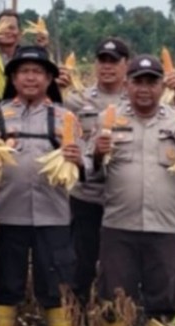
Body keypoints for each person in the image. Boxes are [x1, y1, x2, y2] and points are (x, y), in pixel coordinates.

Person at [90, 55, 175, 326]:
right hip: (118, 226)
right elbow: (90, 171)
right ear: (127, 84)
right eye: (138, 82)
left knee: (163, 301)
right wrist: (98, 153)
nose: (144, 89)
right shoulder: (108, 119)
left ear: (162, 86)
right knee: (114, 299)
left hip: (164, 227)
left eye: (151, 82)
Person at [0, 46, 83, 326]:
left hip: (53, 215)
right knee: (6, 285)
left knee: (56, 287)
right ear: (13, 78)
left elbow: (85, 164)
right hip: (6, 214)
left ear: (49, 78)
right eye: (24, 71)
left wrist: (79, 159)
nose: (30, 78)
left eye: (37, 72)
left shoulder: (64, 117)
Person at [62, 37, 130, 306]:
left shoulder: (136, 99)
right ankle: (77, 315)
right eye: (102, 61)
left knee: (118, 265)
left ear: (126, 65)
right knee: (82, 262)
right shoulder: (77, 100)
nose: (107, 67)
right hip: (87, 195)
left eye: (114, 61)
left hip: (123, 197)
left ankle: (115, 315)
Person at [0, 10, 47, 102]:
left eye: (11, 28)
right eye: (2, 27)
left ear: (20, 33)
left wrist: (42, 51)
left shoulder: (29, 59)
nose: (7, 31)